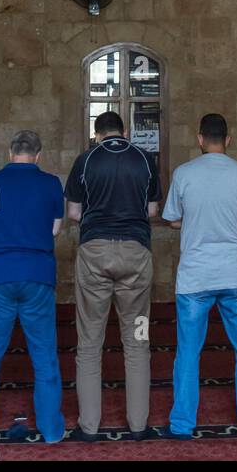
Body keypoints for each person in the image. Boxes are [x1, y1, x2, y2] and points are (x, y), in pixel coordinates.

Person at [162, 113, 237, 438]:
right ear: (228, 139)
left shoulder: (184, 173)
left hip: (196, 277)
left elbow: (172, 218)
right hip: (236, 274)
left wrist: (193, 220)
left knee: (188, 352)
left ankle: (182, 424)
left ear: (199, 139)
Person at [65, 110, 162, 440]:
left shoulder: (87, 160)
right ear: (124, 131)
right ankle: (138, 425)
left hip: (95, 255)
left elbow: (74, 213)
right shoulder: (145, 159)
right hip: (136, 258)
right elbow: (152, 211)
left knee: (90, 344)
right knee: (137, 341)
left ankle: (89, 427)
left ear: (97, 134)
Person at [0, 130, 65, 445]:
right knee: (45, 355)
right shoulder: (50, 183)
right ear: (38, 155)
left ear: (10, 153)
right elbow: (55, 229)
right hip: (37, 274)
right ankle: (50, 430)